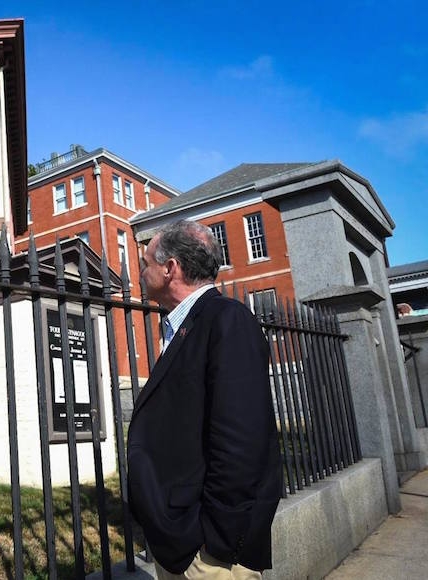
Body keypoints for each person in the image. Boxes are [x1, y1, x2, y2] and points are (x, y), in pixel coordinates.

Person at [127, 220, 282, 579]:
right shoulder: (184, 324)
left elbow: (241, 443)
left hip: (209, 555)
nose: (139, 274)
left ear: (170, 270)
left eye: (144, 265)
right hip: (182, 543)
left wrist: (214, 541)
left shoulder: (227, 320)